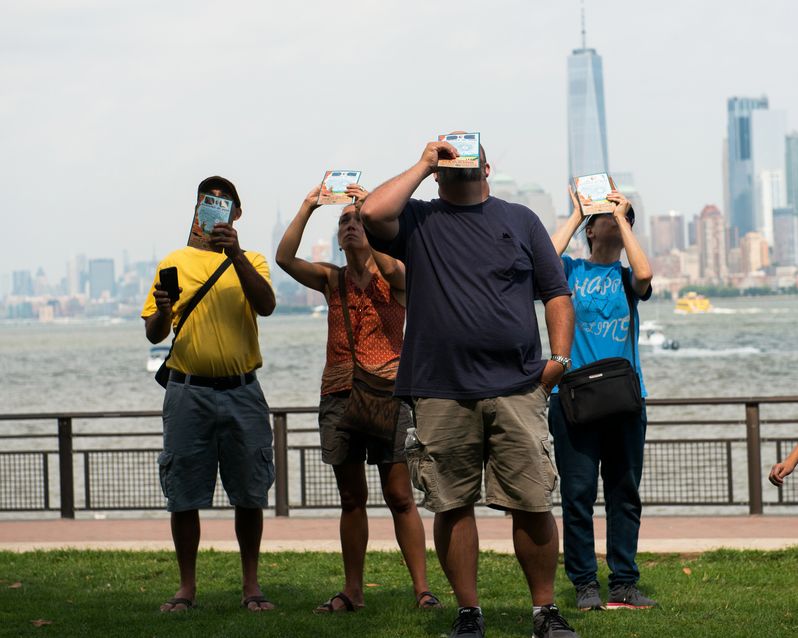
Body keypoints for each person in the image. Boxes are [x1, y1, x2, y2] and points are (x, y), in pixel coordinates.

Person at [360, 137, 578, 638]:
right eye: (448, 156)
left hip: (518, 386)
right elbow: (372, 213)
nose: (458, 161)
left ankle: (544, 612)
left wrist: (559, 361)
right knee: (451, 502)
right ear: (438, 171)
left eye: (466, 153)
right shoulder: (419, 219)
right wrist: (422, 162)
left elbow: (557, 295)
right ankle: (468, 613)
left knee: (533, 501)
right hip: (440, 388)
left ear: (487, 165)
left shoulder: (521, 220)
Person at [275, 183, 440, 613]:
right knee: (352, 499)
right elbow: (284, 259)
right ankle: (353, 590)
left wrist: (369, 219)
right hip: (340, 395)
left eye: (358, 221)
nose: (351, 226)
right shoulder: (333, 279)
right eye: (345, 222)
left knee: (400, 496)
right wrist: (309, 204)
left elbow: (398, 270)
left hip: (389, 393)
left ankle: (422, 589)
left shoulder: (395, 274)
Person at [142, 176, 277, 613]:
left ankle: (251, 585)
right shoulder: (174, 261)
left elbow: (266, 304)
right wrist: (163, 311)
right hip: (187, 392)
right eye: (208, 205)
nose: (215, 212)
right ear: (198, 213)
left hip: (242, 391)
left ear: (236, 215)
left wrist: (235, 254)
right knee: (183, 493)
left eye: (224, 206)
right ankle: (186, 587)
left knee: (250, 493)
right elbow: (154, 334)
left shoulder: (252, 258)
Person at [548, 187, 656, 611]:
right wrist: (578, 212)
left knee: (624, 493)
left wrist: (623, 217)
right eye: (605, 216)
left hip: (626, 399)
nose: (613, 217)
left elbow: (645, 275)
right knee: (577, 495)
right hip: (572, 398)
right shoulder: (570, 269)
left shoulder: (628, 278)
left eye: (622, 215)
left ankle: (624, 582)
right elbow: (543, 258)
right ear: (591, 231)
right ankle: (584, 585)